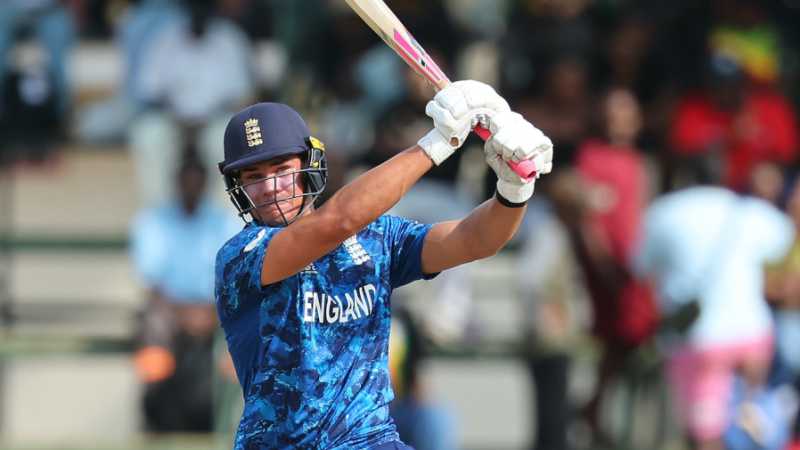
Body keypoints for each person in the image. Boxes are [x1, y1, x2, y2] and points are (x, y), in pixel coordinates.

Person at [214, 80, 554, 448]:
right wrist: (439, 142)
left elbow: (476, 240)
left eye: (280, 168)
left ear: (308, 166)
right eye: (253, 177)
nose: (269, 187)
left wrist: (513, 189)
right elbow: (336, 223)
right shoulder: (241, 256)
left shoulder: (378, 238)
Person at [633, 159, 795, 450]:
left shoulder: (663, 212)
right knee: (752, 420)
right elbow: (783, 240)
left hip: (699, 339)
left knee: (707, 432)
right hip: (753, 333)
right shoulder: (748, 210)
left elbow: (640, 267)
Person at [130, 151, 241, 432]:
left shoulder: (222, 221)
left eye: (197, 182)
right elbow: (151, 282)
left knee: (243, 317)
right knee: (152, 319)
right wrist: (186, 314)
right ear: (176, 183)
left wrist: (210, 313)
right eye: (186, 181)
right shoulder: (153, 221)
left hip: (214, 310)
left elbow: (233, 277)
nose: (191, 187)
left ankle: (229, 396)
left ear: (205, 184)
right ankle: (154, 397)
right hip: (170, 311)